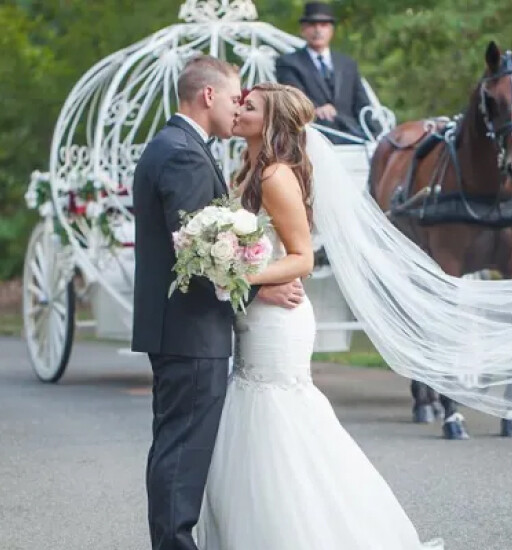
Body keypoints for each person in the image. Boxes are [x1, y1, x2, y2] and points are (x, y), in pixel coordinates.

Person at [194, 82, 444, 549]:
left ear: (269, 122)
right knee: (252, 420)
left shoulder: (274, 176)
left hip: (279, 320)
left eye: (249, 107)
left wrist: (247, 279)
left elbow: (302, 257)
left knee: (281, 419)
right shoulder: (244, 171)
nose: (239, 110)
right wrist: (238, 275)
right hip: (257, 313)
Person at [131, 56, 304, 550]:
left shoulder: (177, 146)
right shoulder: (183, 153)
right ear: (208, 96)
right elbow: (198, 250)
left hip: (183, 327)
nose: (236, 109)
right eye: (233, 99)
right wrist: (259, 287)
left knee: (177, 448)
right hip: (189, 328)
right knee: (182, 453)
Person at [275, 1, 376, 144]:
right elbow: (293, 100)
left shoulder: (347, 64)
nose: (318, 30)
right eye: (312, 25)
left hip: (353, 138)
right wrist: (316, 110)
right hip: (312, 137)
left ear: (331, 30)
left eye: (323, 25)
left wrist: (376, 134)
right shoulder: (289, 63)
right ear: (303, 29)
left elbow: (363, 104)